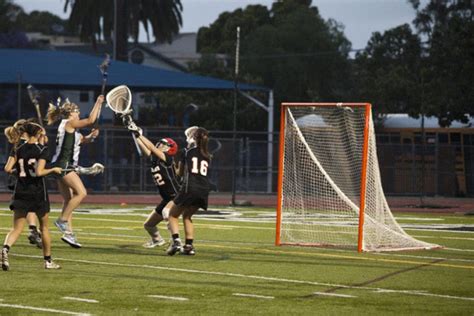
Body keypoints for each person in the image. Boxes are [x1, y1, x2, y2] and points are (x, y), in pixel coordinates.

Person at [2, 122, 62, 271]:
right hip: (38, 192)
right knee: (44, 228)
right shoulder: (42, 150)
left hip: (21, 191)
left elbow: (7, 168)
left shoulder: (17, 148)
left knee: (16, 229)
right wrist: (53, 169)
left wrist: (20, 174)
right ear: (37, 134)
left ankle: (5, 249)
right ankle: (48, 261)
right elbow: (40, 172)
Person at [46, 96, 102, 248]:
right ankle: (62, 220)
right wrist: (98, 103)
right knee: (81, 193)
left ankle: (69, 234)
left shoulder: (72, 129)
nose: (78, 113)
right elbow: (90, 120)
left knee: (68, 199)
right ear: (71, 113)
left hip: (61, 164)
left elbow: (82, 140)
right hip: (65, 165)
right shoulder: (69, 123)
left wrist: (91, 137)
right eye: (77, 111)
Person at [166, 127, 211, 256]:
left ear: (192, 137)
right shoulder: (207, 155)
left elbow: (179, 173)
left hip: (190, 187)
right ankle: (189, 246)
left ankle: (175, 242)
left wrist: (173, 165)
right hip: (203, 190)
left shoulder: (186, 152)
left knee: (172, 215)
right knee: (187, 216)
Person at [133, 131, 180, 248]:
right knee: (149, 225)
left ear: (170, 149)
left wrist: (139, 135)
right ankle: (157, 240)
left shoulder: (167, 159)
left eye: (164, 144)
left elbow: (151, 147)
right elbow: (147, 150)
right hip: (166, 198)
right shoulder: (156, 159)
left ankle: (176, 242)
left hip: (176, 195)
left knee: (166, 212)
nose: (160, 145)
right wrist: (135, 134)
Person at [5, 119, 44, 249]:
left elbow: (8, 168)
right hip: (30, 183)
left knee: (27, 208)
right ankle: (33, 230)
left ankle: (33, 229)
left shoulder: (18, 146)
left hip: (20, 182)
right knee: (31, 207)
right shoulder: (28, 146)